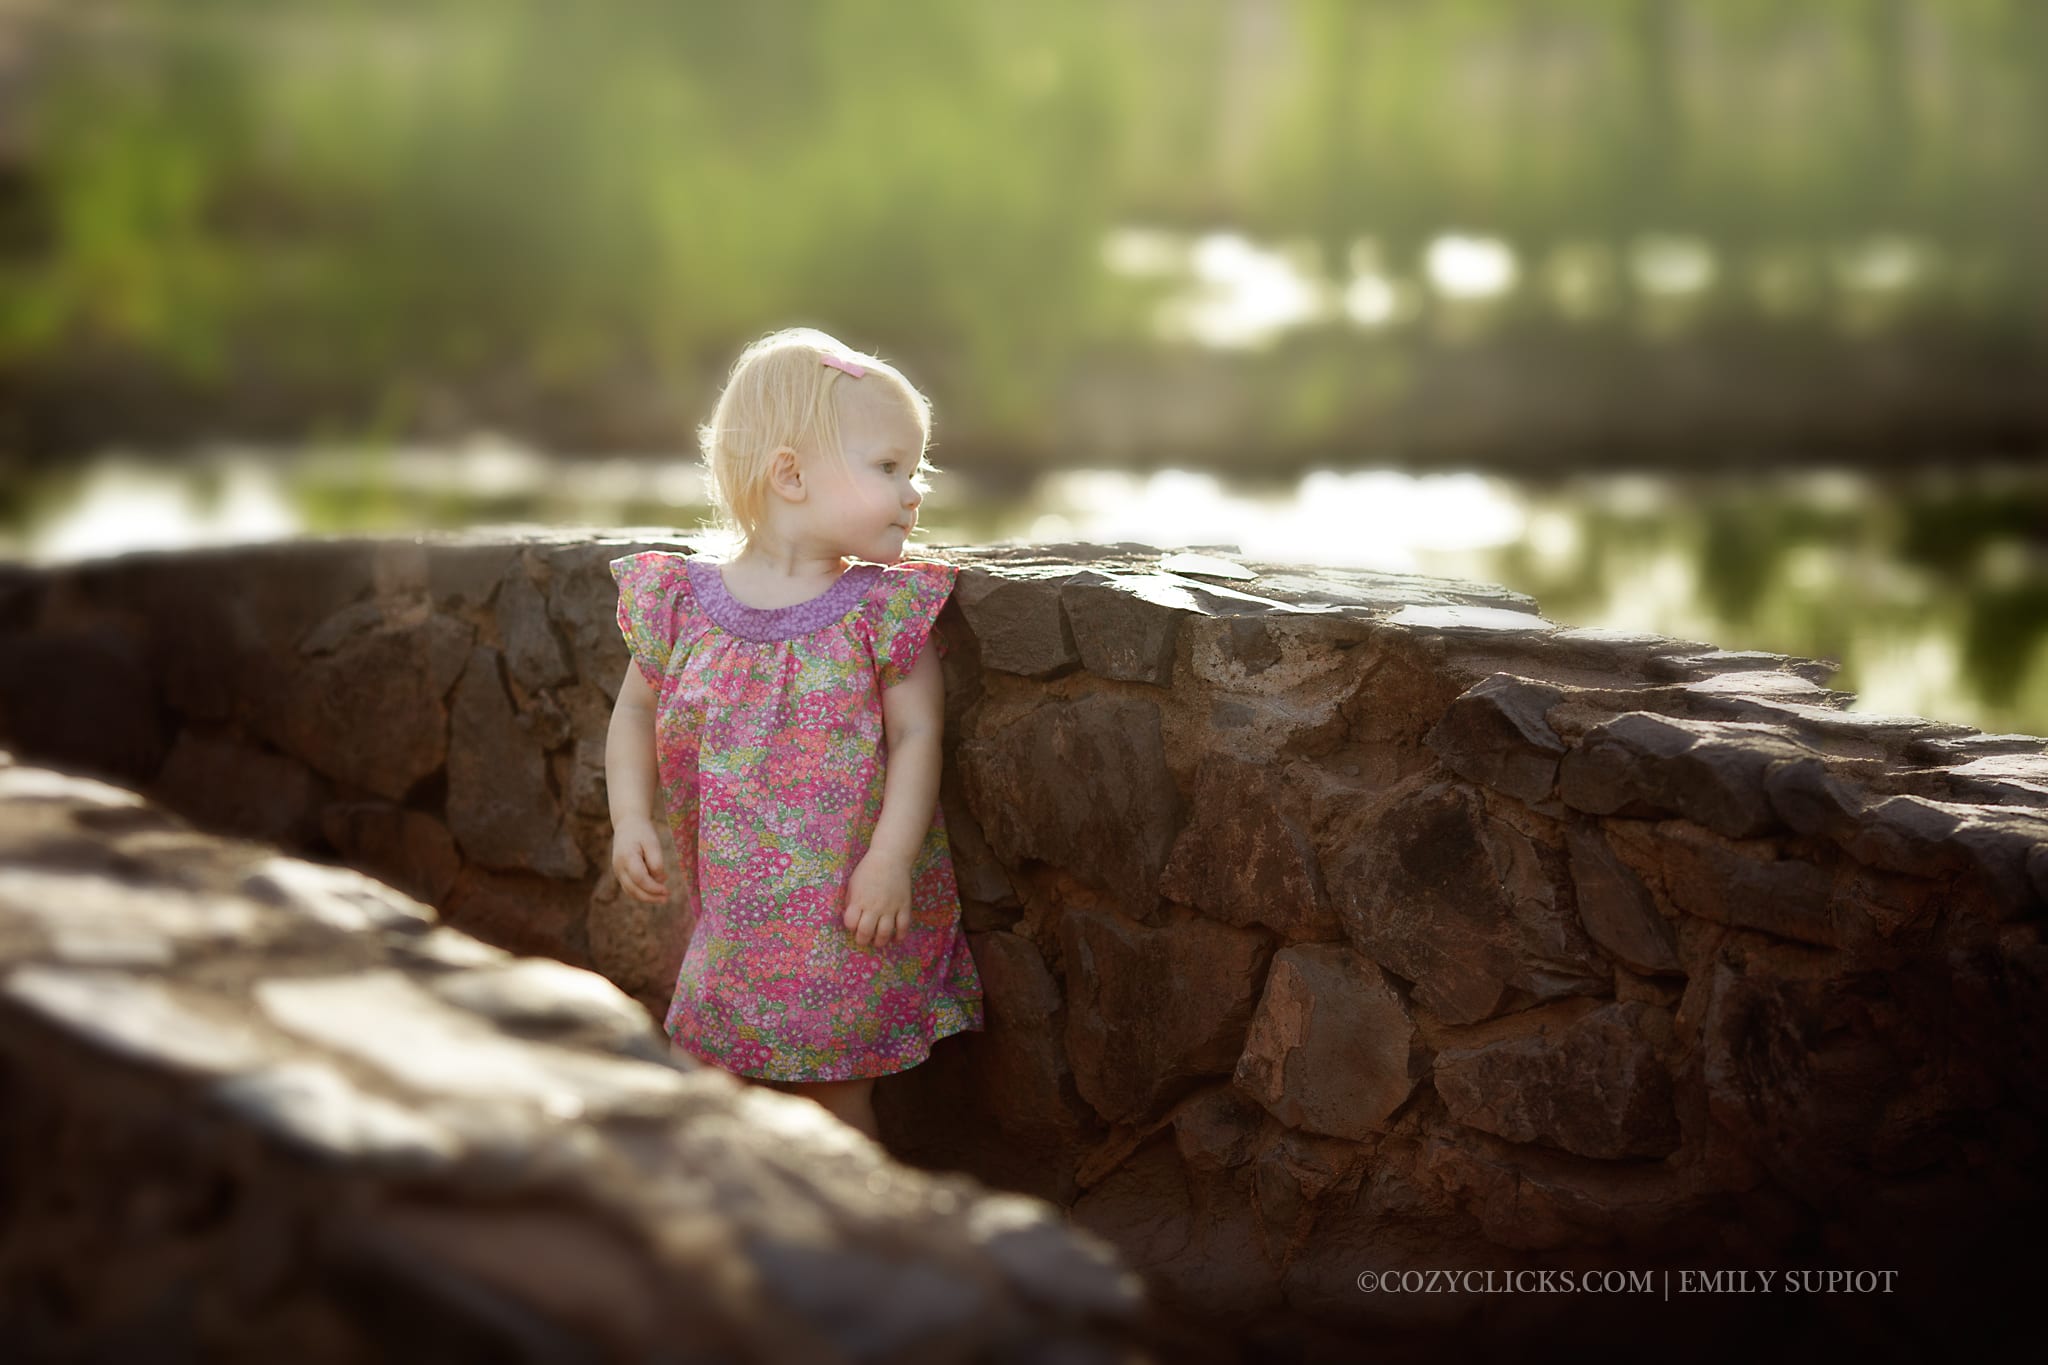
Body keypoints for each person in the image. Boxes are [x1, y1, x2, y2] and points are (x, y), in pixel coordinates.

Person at [602, 326, 984, 1141]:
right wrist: (629, 816)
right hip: (732, 924)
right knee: (703, 1079)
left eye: (915, 470)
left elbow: (919, 736)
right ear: (791, 475)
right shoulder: (684, 603)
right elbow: (634, 710)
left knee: (835, 1102)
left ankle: (848, 1218)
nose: (913, 492)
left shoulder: (880, 612)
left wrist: (889, 859)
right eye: (890, 467)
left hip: (845, 920)